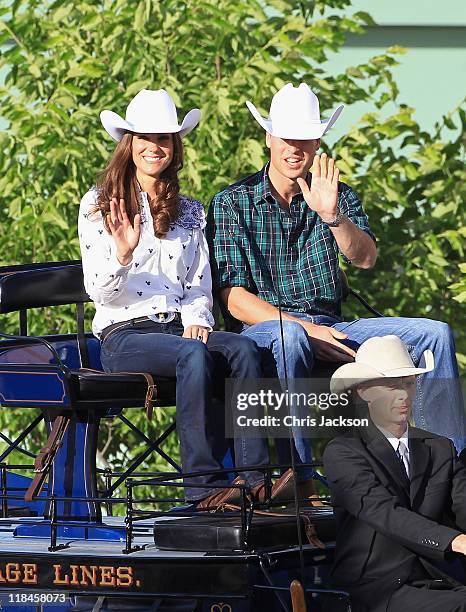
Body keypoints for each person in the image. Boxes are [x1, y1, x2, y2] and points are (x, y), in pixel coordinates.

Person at [206, 82, 466, 492]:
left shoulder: (337, 195)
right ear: (269, 138)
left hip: (333, 324)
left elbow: (365, 258)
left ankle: (451, 476)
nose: (295, 148)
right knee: (289, 335)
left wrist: (331, 217)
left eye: (305, 139)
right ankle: (301, 477)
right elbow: (233, 300)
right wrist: (308, 330)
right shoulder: (231, 202)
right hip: (266, 331)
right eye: (287, 138)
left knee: (433, 334)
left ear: (317, 142)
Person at [78, 88, 288, 508]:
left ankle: (254, 477)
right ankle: (203, 486)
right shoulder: (100, 205)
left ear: (175, 148)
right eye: (146, 139)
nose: (155, 148)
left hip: (177, 326)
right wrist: (122, 251)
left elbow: (198, 283)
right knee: (192, 356)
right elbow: (98, 292)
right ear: (130, 146)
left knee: (243, 348)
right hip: (124, 335)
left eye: (165, 139)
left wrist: (199, 318)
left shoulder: (189, 211)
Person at [323, 335, 466, 612]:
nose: (403, 395)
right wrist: (458, 541)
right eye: (392, 386)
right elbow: (386, 513)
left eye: (409, 384)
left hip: (437, 578)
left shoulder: (439, 448)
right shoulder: (344, 451)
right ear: (364, 392)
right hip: (375, 586)